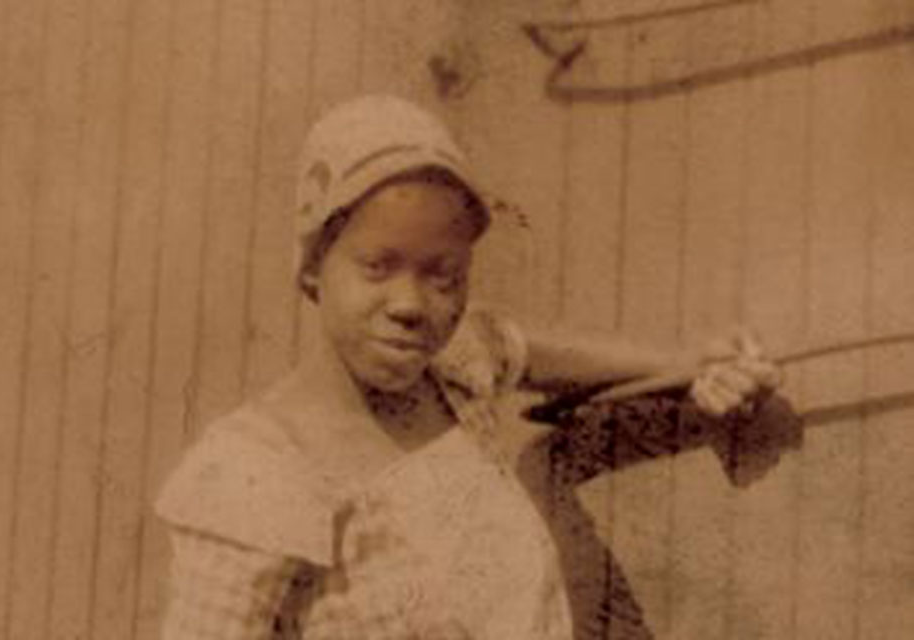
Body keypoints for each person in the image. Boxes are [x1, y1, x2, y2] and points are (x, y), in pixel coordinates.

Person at [154, 95, 781, 639]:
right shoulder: (255, 473)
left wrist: (685, 363)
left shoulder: (451, 376)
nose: (411, 305)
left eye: (443, 276)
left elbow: (522, 347)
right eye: (377, 266)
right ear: (315, 263)